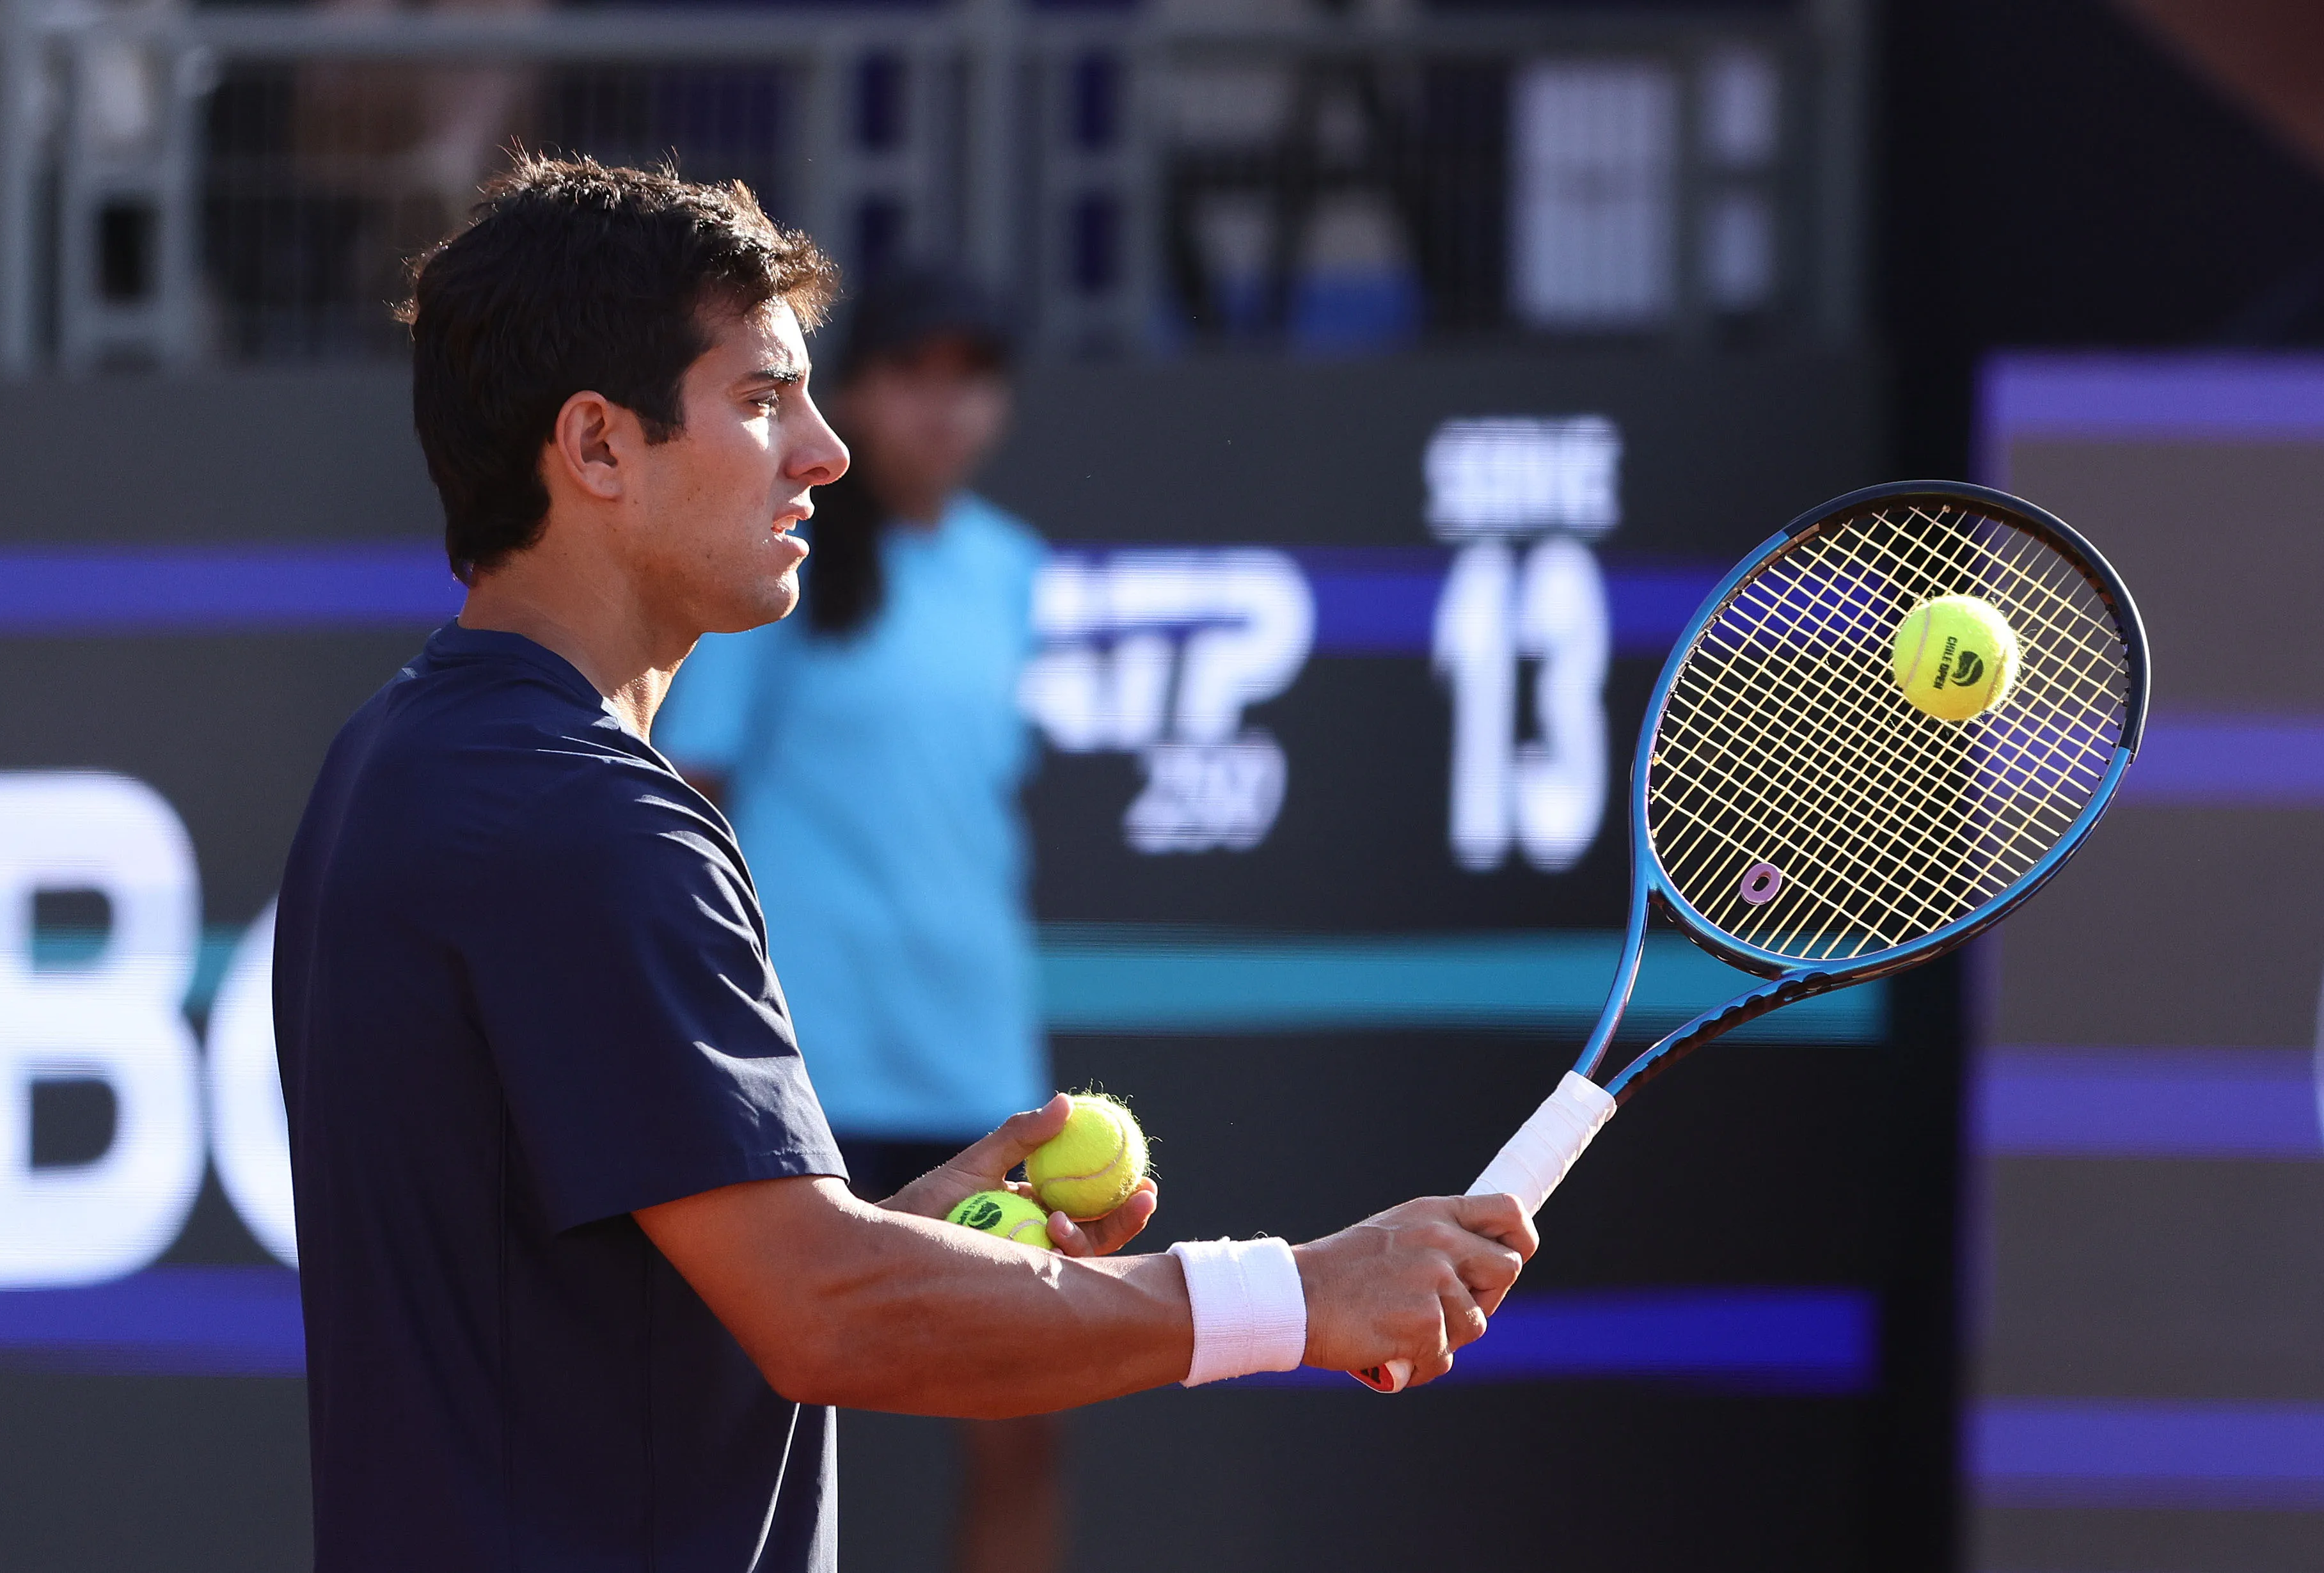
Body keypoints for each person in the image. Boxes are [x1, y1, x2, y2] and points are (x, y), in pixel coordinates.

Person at [273, 155, 1536, 1573]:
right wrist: (1294, 1293)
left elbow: (626, 1304)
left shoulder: (393, 759)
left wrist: (895, 1232)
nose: (826, 449)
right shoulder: (594, 821)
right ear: (599, 445)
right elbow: (827, 1315)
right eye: (760, 400)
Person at [655, 265, 1056, 1573]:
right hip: (805, 1067)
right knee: (747, 1425)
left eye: (970, 378)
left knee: (1022, 1421)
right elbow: (690, 794)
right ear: (857, 394)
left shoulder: (1009, 573)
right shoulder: (782, 565)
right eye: (910, 375)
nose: (942, 410)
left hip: (973, 1062)